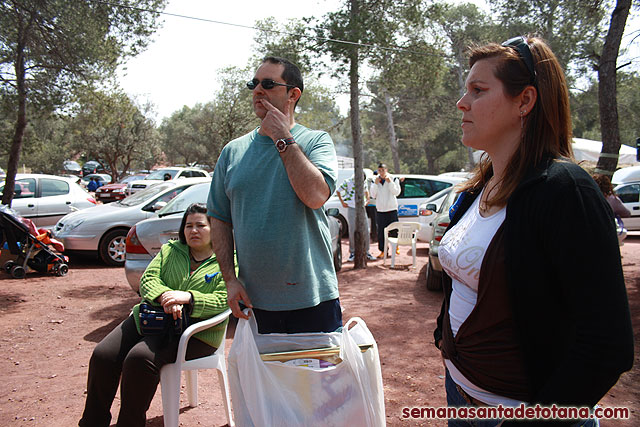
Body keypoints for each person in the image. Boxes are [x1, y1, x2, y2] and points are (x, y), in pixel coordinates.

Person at [433, 36, 634, 426]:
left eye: (478, 90)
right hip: (461, 393)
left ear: (524, 101)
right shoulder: (483, 183)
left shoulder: (564, 190)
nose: (462, 102)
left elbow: (607, 345)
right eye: (465, 90)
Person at [207, 56, 342, 334]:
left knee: (315, 380)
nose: (258, 90)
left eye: (268, 84)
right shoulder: (232, 151)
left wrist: (282, 137)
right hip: (254, 304)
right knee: (261, 380)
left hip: (313, 300)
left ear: (293, 94)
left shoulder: (316, 141)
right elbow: (219, 218)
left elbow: (316, 196)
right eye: (253, 84)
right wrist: (230, 280)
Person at [79, 203, 231, 427]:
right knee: (103, 355)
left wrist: (188, 298)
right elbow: (148, 279)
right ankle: (93, 422)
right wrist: (166, 297)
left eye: (201, 225)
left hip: (195, 333)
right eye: (188, 225)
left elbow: (224, 298)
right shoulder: (171, 250)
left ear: (214, 228)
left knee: (139, 359)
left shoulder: (227, 258)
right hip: (151, 318)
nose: (193, 231)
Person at [337, 173, 376, 262]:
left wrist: (367, 200)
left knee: (366, 229)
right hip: (351, 208)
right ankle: (352, 252)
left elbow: (366, 191)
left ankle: (367, 252)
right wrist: (342, 202)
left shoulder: (364, 182)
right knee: (352, 230)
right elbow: (338, 191)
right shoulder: (347, 182)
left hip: (361, 208)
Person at [369, 163, 401, 258]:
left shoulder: (393, 178)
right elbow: (373, 195)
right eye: (379, 170)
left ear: (386, 170)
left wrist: (390, 182)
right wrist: (375, 184)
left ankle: (396, 248)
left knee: (394, 230)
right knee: (381, 232)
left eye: (383, 170)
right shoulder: (375, 180)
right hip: (380, 210)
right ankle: (383, 251)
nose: (381, 172)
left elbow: (397, 192)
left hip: (392, 209)